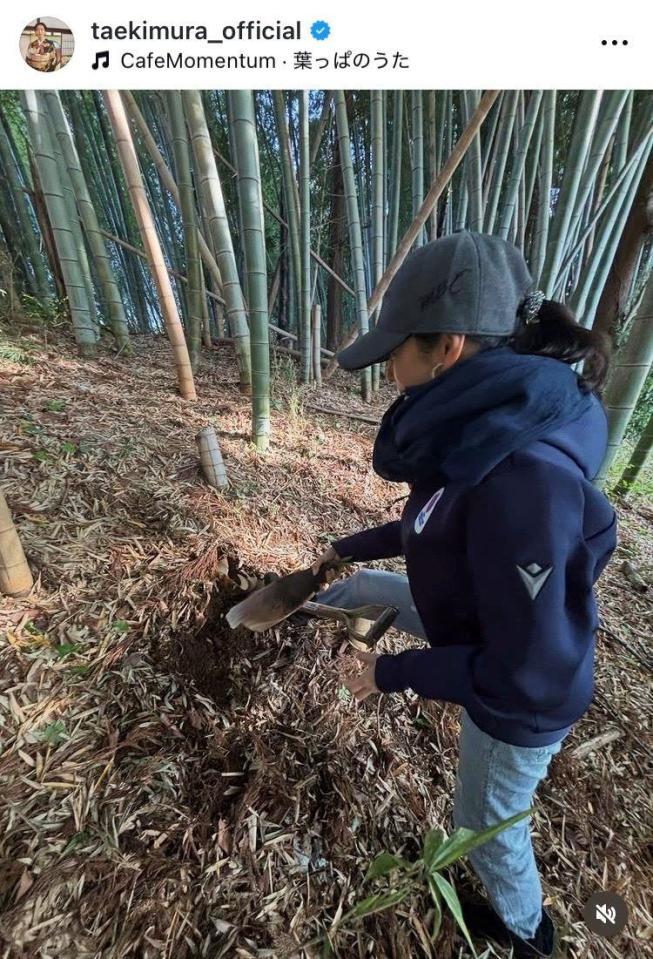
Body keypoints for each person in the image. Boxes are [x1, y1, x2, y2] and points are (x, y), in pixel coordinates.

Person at [309, 231, 618, 958]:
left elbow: (521, 668)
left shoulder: (523, 479)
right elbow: (435, 524)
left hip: (518, 700)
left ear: (445, 348)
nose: (389, 369)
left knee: (486, 824)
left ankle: (527, 933)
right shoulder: (483, 432)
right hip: (484, 625)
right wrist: (347, 549)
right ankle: (304, 611)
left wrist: (388, 673)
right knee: (370, 587)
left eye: (394, 352)